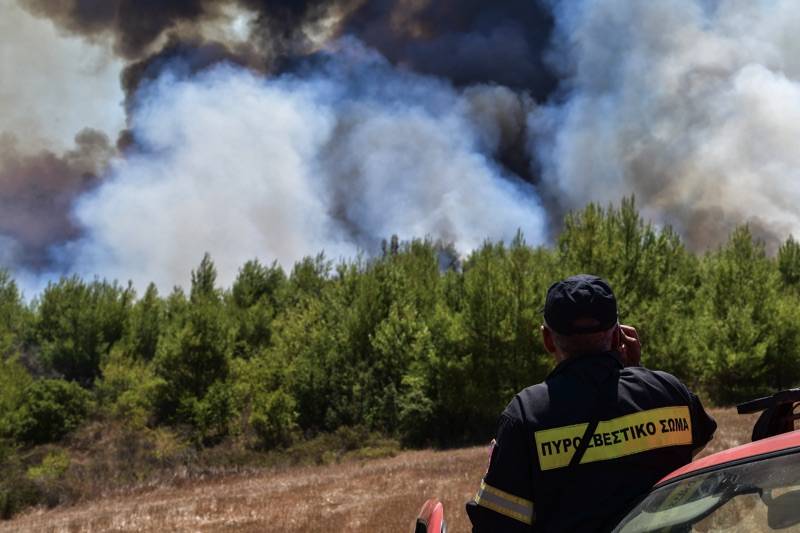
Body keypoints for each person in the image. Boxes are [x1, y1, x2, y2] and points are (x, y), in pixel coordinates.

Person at [466, 274, 717, 532]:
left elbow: (495, 523)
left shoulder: (525, 414)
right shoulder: (669, 391)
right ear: (618, 335)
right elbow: (692, 445)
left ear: (548, 340)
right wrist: (639, 374)